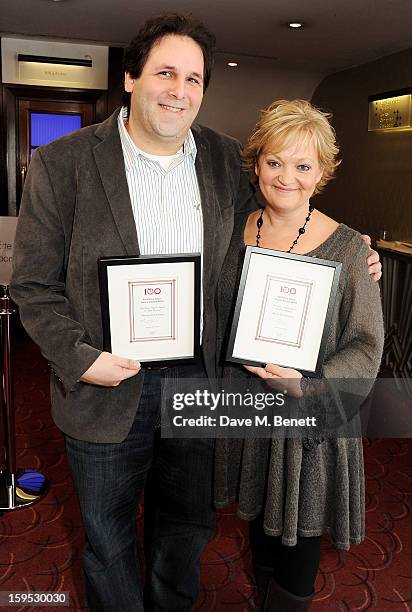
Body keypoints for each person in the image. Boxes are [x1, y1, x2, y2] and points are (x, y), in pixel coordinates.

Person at [10, 13, 381, 612]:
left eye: (193, 78)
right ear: (130, 78)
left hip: (200, 383)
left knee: (185, 532)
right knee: (106, 542)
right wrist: (82, 360)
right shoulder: (64, 163)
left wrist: (353, 249)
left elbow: (282, 212)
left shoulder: (226, 161)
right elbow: (32, 285)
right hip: (105, 382)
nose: (179, 90)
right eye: (165, 72)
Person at [214, 99, 385, 611]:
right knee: (260, 529)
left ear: (321, 173)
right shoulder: (231, 233)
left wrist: (306, 384)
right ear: (257, 164)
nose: (286, 176)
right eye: (274, 162)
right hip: (248, 412)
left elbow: (366, 346)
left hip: (309, 420)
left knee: (297, 543)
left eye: (303, 165)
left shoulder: (352, 250)